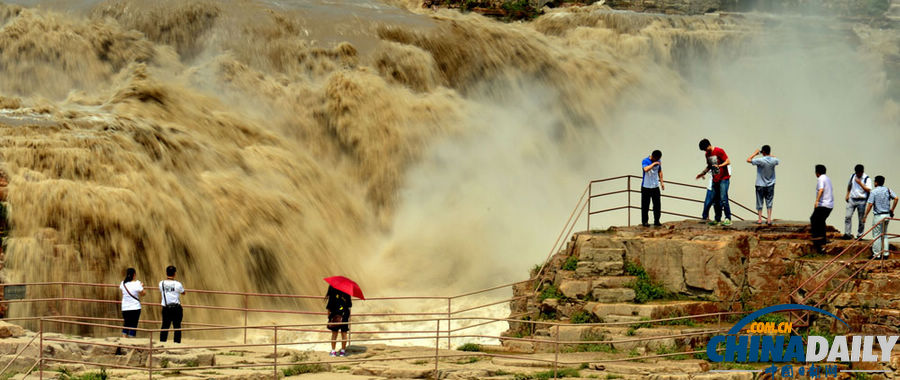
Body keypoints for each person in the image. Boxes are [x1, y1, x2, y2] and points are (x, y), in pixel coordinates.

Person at [696, 139, 732, 226]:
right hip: (715, 179)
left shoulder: (719, 151)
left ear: (709, 145)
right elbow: (709, 166)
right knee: (715, 200)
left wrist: (719, 166)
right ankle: (717, 219)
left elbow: (728, 161)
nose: (705, 151)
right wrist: (703, 173)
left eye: (705, 149)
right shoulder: (707, 154)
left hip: (724, 178)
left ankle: (728, 218)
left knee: (723, 198)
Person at [862, 176, 897, 259]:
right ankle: (885, 254)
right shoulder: (887, 190)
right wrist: (892, 209)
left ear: (876, 182)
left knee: (876, 235)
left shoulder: (874, 192)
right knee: (884, 234)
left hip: (878, 215)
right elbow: (896, 198)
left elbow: (870, 204)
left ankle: (876, 254)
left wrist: (865, 215)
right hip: (887, 215)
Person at [747, 145, 780, 225]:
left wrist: (755, 153)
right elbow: (776, 159)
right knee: (769, 201)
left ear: (763, 152)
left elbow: (748, 160)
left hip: (760, 184)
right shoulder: (774, 161)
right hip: (770, 184)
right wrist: (770, 155)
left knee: (759, 201)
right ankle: (769, 219)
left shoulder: (760, 160)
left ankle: (760, 219)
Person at [844, 164, 873, 239]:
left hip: (862, 200)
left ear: (862, 172)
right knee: (848, 216)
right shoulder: (853, 176)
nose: (857, 174)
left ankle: (860, 235)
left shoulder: (867, 178)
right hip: (852, 198)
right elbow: (849, 185)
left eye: (859, 173)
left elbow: (868, 189)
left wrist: (860, 183)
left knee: (861, 219)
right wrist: (847, 194)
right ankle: (847, 234)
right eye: (856, 172)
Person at [811, 165, 834, 254]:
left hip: (823, 204)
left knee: (814, 219)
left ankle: (817, 239)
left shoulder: (820, 179)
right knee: (821, 220)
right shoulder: (828, 179)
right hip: (829, 204)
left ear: (817, 172)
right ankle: (823, 239)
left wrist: (816, 201)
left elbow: (821, 190)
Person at [159, 265, 185, 343]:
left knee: (165, 326)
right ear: (174, 274)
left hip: (166, 308)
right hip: (176, 308)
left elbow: (162, 291)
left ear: (166, 273)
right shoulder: (178, 284)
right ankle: (176, 343)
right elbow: (183, 293)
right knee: (177, 326)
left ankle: (162, 342)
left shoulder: (161, 283)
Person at [325, 285, 352, 357]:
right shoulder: (347, 292)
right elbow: (349, 305)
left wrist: (329, 316)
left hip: (334, 315)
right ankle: (342, 352)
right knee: (344, 333)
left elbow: (329, 307)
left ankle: (333, 351)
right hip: (344, 315)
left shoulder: (332, 293)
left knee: (334, 334)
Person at [119, 268, 146, 338]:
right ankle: (131, 341)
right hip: (135, 307)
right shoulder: (137, 283)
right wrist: (142, 286)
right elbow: (143, 294)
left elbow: (123, 290)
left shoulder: (123, 283)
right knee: (133, 325)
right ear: (134, 275)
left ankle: (124, 339)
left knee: (126, 324)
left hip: (125, 308)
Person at [641, 150, 665, 227]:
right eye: (656, 159)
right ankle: (645, 222)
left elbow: (660, 172)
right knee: (645, 205)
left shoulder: (658, 161)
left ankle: (657, 221)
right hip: (646, 186)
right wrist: (654, 164)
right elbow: (645, 169)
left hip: (655, 186)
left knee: (657, 205)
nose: (657, 160)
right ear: (653, 157)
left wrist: (662, 182)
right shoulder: (645, 161)